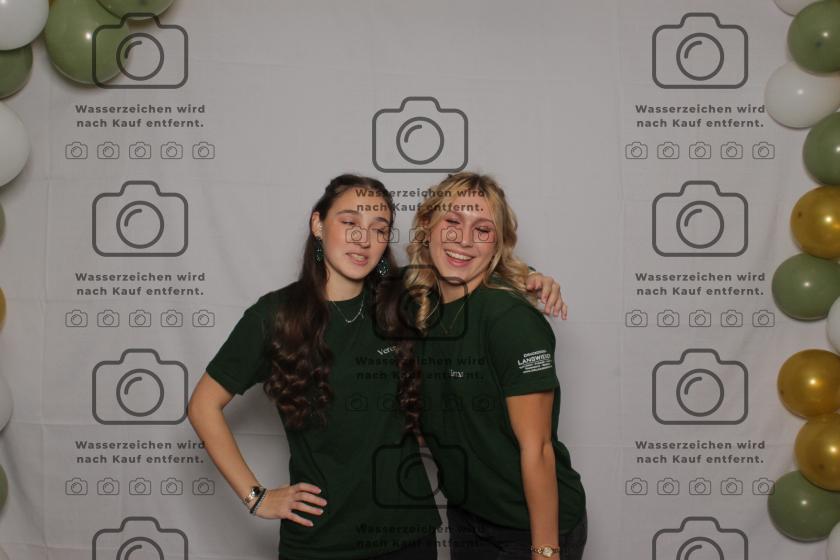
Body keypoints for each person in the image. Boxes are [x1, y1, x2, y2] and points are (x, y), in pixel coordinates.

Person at [187, 173, 566, 560]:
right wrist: (257, 497)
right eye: (349, 222)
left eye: (379, 228)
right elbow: (202, 406)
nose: (363, 239)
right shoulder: (276, 316)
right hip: (320, 542)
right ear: (318, 224)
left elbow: (468, 269)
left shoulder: (404, 302)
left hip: (408, 538)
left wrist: (530, 277)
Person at [404, 172, 587, 560]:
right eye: (453, 221)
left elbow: (537, 448)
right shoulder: (420, 308)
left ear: (497, 245)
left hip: (528, 527)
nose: (464, 239)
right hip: (468, 516)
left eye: (482, 230)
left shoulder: (510, 319)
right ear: (427, 226)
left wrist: (545, 551)